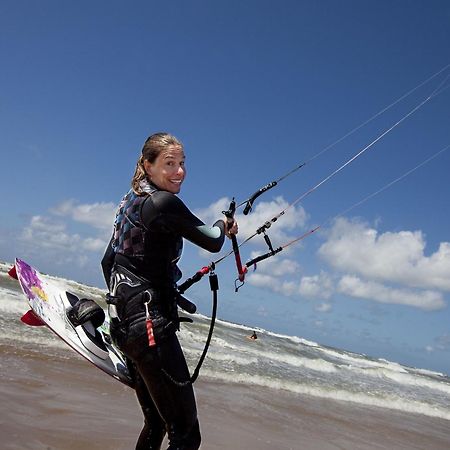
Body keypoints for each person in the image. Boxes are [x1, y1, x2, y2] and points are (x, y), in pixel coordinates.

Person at [101, 132, 238, 450]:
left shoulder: (129, 204)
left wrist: (120, 311)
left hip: (127, 327)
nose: (179, 172)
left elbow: (108, 261)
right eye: (169, 164)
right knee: (186, 435)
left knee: (158, 423)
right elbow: (213, 240)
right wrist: (223, 222)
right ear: (148, 166)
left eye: (182, 164)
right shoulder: (162, 203)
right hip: (152, 329)